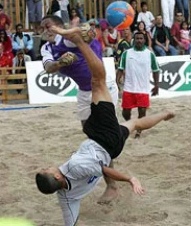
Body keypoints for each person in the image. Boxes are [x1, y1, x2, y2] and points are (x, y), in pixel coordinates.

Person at [35, 25, 175, 226]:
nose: (46, 166)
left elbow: (70, 222)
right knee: (98, 82)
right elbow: (105, 171)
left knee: (133, 123)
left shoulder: (65, 198)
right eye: (46, 169)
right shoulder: (75, 167)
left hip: (112, 148)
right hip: (103, 138)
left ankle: (164, 114)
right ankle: (80, 42)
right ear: (56, 175)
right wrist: (129, 179)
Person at [40, 16, 120, 204]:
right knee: (89, 133)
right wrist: (60, 63)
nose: (45, 30)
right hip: (84, 91)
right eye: (42, 28)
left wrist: (61, 31)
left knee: (99, 138)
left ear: (59, 26)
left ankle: (112, 185)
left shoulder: (67, 38)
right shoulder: (47, 48)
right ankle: (106, 169)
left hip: (102, 86)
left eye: (48, 26)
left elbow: (85, 33)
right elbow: (49, 68)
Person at [117, 32, 160, 138]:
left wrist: (156, 85)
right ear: (133, 40)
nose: (139, 40)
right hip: (129, 88)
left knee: (142, 111)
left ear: (144, 40)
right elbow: (121, 69)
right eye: (137, 38)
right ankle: (131, 122)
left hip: (143, 89)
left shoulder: (150, 54)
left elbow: (156, 70)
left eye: (141, 38)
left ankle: (138, 131)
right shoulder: (126, 53)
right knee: (125, 112)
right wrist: (117, 80)